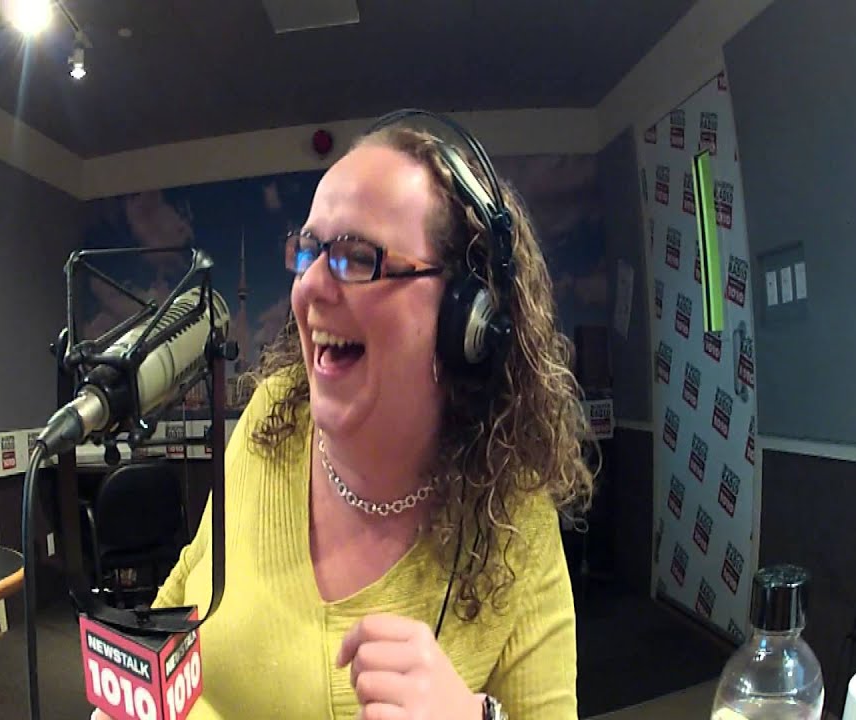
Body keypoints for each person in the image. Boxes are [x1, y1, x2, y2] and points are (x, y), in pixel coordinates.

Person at [93, 113, 595, 719]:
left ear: (467, 319)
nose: (307, 288)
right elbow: (184, 588)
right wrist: (135, 698)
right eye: (308, 252)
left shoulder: (514, 522)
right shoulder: (271, 414)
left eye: (358, 258)